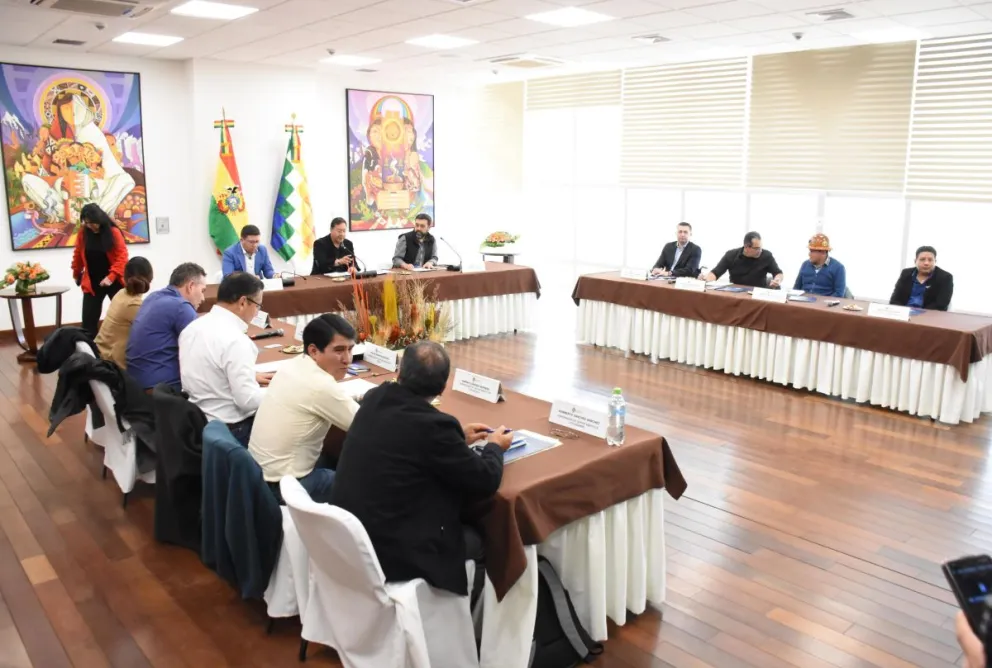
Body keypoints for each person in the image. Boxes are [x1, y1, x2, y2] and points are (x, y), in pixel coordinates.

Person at [331, 341, 514, 597]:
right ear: (443, 386)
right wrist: (495, 447)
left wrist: (457, 438)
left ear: (399, 374)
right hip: (393, 551)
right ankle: (468, 627)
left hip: (351, 538)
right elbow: (485, 480)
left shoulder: (375, 398)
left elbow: (402, 439)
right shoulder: (435, 426)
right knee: (488, 541)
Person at [249, 314, 359, 503]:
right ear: (314, 351)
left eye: (351, 349)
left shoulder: (292, 365)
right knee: (366, 482)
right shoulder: (321, 386)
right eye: (339, 350)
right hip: (284, 489)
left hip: (258, 477)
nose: (347, 359)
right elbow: (368, 426)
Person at [179, 271, 271, 446]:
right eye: (258, 306)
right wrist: (281, 390)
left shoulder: (191, 328)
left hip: (198, 423)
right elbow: (248, 401)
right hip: (233, 430)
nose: (257, 312)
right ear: (243, 302)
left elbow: (211, 370)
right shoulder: (236, 341)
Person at [127, 263, 207, 391]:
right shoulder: (181, 307)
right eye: (202, 291)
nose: (203, 298)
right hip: (160, 391)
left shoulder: (153, 297)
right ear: (191, 286)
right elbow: (202, 353)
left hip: (136, 384)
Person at [72, 203, 129, 337]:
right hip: (92, 281)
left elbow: (122, 256)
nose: (91, 226)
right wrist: (76, 272)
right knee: (88, 322)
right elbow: (78, 253)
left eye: (93, 223)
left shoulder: (113, 232)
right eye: (87, 223)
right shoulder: (83, 233)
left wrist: (111, 276)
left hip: (114, 280)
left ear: (100, 219)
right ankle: (91, 353)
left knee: (123, 316)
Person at [94, 257, 152, 369]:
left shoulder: (121, 293)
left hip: (101, 354)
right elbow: (153, 335)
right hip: (113, 365)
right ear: (150, 278)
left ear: (124, 276)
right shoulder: (134, 305)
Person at [702, 231, 784, 288]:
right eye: (757, 248)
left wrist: (777, 280)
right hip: (736, 293)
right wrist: (706, 279)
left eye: (761, 248)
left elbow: (778, 273)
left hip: (758, 294)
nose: (760, 251)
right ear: (746, 247)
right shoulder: (731, 255)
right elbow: (716, 273)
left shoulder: (766, 255)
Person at [889, 245, 953, 311]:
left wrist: (919, 315)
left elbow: (941, 304)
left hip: (928, 316)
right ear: (915, 261)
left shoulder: (945, 277)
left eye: (930, 260)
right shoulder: (906, 273)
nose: (926, 263)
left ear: (935, 261)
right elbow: (895, 299)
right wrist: (901, 313)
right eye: (922, 259)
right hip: (903, 314)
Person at [792, 233, 846, 297]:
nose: (809, 254)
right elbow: (796, 289)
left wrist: (824, 303)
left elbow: (839, 294)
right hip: (803, 303)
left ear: (823, 252)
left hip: (823, 305)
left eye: (812, 251)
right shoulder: (805, 264)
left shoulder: (838, 268)